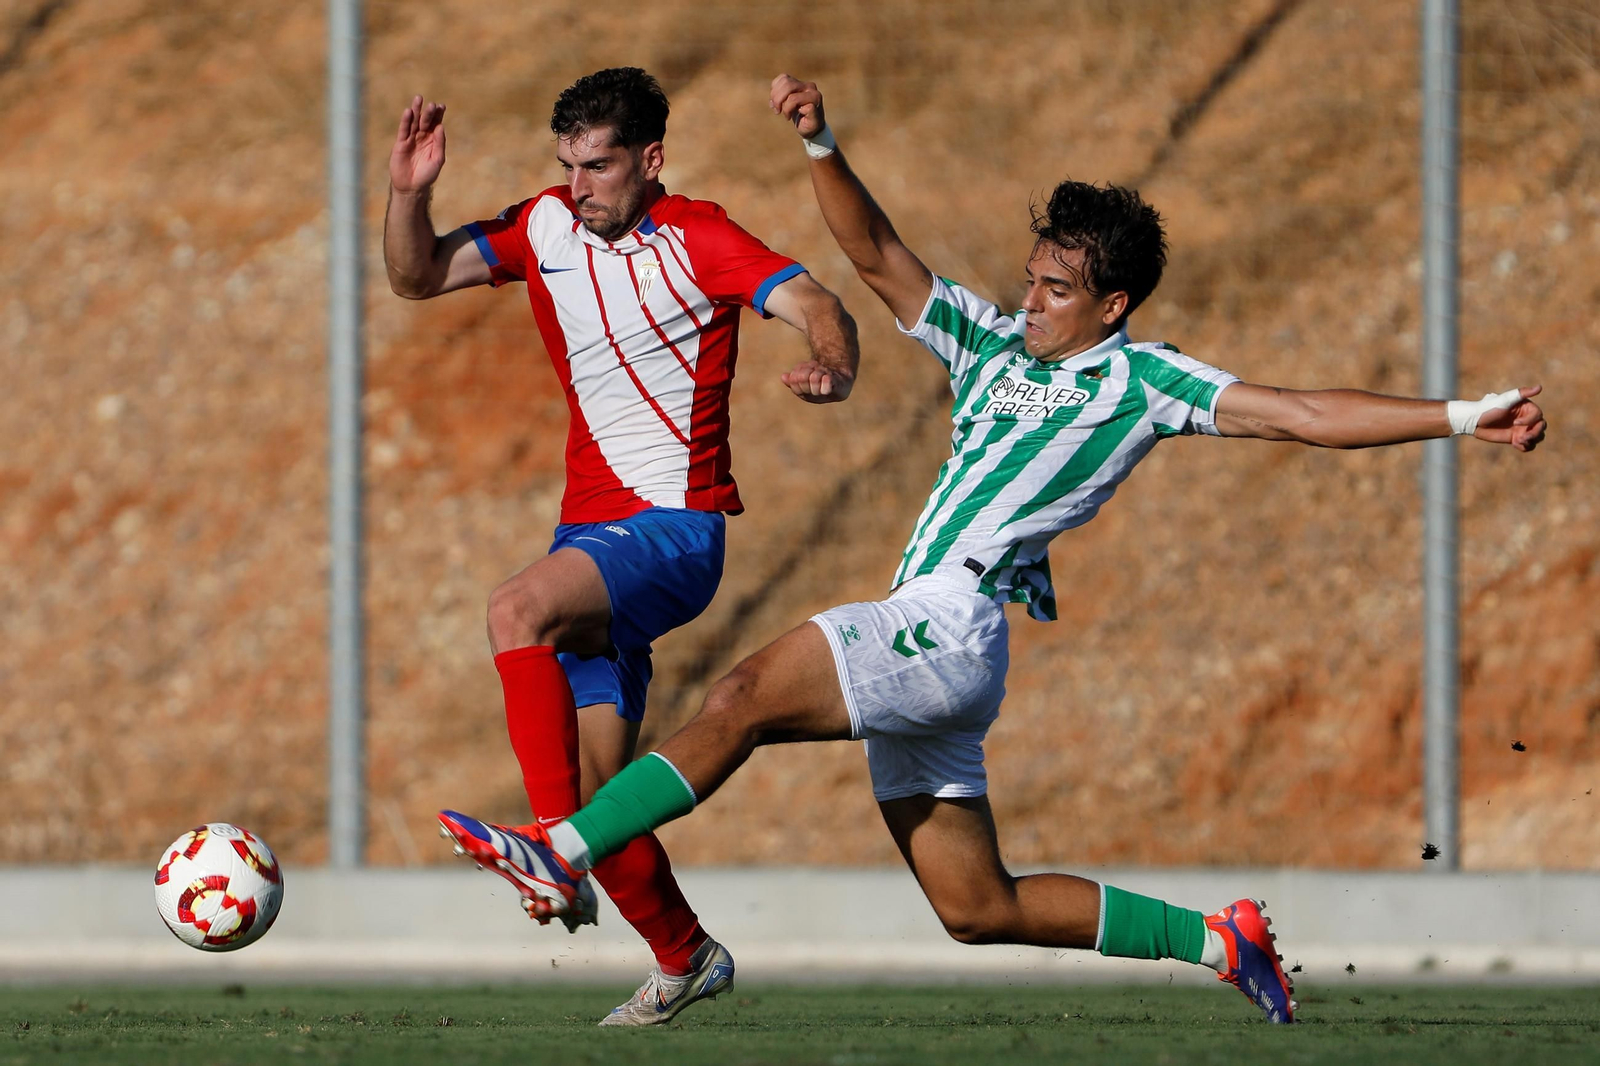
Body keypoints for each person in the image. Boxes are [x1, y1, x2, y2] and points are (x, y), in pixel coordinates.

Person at [445, 74, 1549, 1025]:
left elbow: (1302, 411)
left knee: (739, 696)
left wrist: (1459, 416)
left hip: (946, 619)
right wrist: (819, 141)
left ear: (1112, 305)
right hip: (944, 650)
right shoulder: (987, 341)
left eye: (1057, 292)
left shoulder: (1141, 381)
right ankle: (1221, 938)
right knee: (980, 907)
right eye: (1030, 277)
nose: (1029, 301)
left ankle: (567, 848)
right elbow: (876, 256)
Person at [385, 67, 859, 1026]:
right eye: (567, 166)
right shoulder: (544, 225)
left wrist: (831, 362)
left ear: (650, 159)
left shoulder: (699, 235)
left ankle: (550, 850)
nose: (579, 186)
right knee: (609, 789)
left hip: (676, 533)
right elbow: (418, 274)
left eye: (597, 167)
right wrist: (409, 193)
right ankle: (684, 954)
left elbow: (817, 301)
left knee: (515, 610)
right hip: (590, 539)